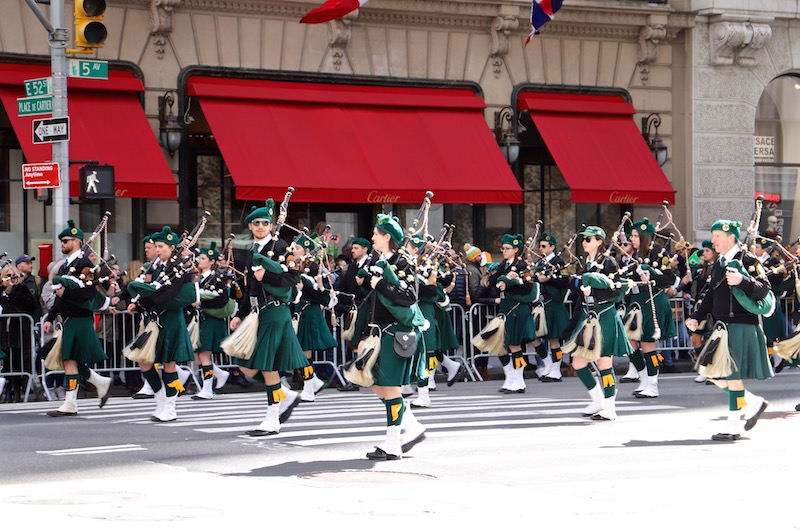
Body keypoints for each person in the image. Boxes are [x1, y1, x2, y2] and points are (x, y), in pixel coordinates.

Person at [686, 220, 773, 441]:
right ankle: (752, 402)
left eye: (717, 236)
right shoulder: (719, 264)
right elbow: (711, 295)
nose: (713, 240)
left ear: (731, 237)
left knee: (731, 376)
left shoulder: (749, 260)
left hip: (742, 325)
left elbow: (764, 289)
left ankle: (733, 425)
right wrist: (697, 317)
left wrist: (742, 280)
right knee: (710, 372)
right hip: (722, 327)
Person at [229, 200, 306, 436]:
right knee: (247, 366)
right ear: (250, 226)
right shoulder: (254, 251)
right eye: (256, 223)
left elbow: (293, 279)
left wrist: (268, 278)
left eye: (265, 223)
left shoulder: (281, 247)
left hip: (275, 311)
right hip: (258, 313)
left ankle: (272, 419)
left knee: (267, 366)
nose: (261, 226)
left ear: (272, 225)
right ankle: (286, 395)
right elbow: (251, 286)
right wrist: (240, 314)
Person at [354, 214, 426, 460]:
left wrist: (379, 284)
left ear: (387, 237)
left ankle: (393, 443)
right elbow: (373, 303)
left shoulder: (403, 262)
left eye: (375, 233)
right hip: (378, 333)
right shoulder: (378, 260)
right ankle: (411, 426)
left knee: (391, 388)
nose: (372, 237)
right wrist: (364, 334)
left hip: (396, 333)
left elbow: (409, 297)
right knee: (376, 385)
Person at [561, 226, 632, 421]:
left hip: (605, 317)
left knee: (604, 364)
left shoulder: (608, 262)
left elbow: (617, 291)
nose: (584, 242)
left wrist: (591, 292)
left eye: (589, 239)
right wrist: (572, 324)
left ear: (600, 241)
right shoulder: (588, 263)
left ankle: (610, 407)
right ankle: (598, 400)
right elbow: (581, 298)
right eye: (583, 238)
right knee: (578, 362)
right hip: (588, 317)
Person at [43, 220, 112, 416]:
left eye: (65, 240)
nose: (62, 243)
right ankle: (101, 383)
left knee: (69, 359)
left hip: (80, 318)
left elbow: (88, 294)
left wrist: (67, 295)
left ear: (77, 241)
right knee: (74, 361)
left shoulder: (84, 264)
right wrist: (50, 317)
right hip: (68, 319)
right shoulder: (65, 267)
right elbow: (58, 296)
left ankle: (70, 403)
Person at [126, 226, 195, 422]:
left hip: (170, 319)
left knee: (168, 364)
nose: (157, 249)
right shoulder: (158, 267)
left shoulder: (177, 268)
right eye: (156, 246)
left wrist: (142, 302)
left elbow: (169, 294)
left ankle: (170, 408)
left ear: (172, 247)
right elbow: (153, 292)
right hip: (155, 319)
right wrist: (138, 304)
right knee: (144, 362)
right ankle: (161, 400)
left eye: (161, 246)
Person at [623, 218, 677, 399]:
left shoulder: (658, 253)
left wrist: (651, 275)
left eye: (636, 236)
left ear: (645, 237)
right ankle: (644, 378)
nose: (632, 239)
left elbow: (670, 279)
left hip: (653, 300)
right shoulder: (635, 255)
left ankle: (652, 384)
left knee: (647, 344)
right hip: (637, 301)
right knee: (629, 342)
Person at [490, 233, 538, 394]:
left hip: (517, 308)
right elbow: (493, 282)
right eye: (503, 248)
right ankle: (510, 378)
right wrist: (502, 278)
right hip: (505, 308)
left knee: (514, 344)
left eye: (507, 248)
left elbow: (528, 287)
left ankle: (519, 380)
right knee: (501, 344)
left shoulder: (523, 266)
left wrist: (512, 281)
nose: (504, 251)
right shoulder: (503, 265)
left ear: (516, 250)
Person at [293, 233, 335, 402]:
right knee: (301, 353)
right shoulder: (297, 266)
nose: (293, 250)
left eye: (297, 248)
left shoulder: (314, 268)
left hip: (310, 313)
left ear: (306, 250)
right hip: (301, 313)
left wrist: (305, 287)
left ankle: (309, 387)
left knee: (304, 352)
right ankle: (313, 382)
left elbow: (323, 297)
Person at [190, 242, 232, 400]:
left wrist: (202, 301)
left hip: (211, 319)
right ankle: (220, 374)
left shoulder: (216, 278)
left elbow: (222, 299)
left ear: (211, 261)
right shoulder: (199, 278)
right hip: (201, 319)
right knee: (196, 354)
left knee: (204, 354)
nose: (199, 261)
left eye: (202, 258)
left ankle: (207, 389)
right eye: (199, 258)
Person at [337, 236, 374, 392]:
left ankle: (370, 376)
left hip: (369, 307)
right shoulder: (352, 267)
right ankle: (355, 379)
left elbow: (374, 287)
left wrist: (364, 282)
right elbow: (345, 287)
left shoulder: (372, 265)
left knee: (367, 343)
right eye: (352, 248)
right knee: (355, 341)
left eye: (356, 248)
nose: (353, 250)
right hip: (356, 308)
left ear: (365, 249)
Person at [532, 232, 570, 382]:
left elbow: (564, 282)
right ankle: (547, 363)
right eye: (540, 245)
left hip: (553, 303)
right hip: (541, 305)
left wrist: (547, 279)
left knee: (554, 340)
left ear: (552, 247)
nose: (540, 248)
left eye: (544, 246)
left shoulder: (558, 261)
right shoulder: (540, 262)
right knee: (532, 335)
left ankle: (556, 370)